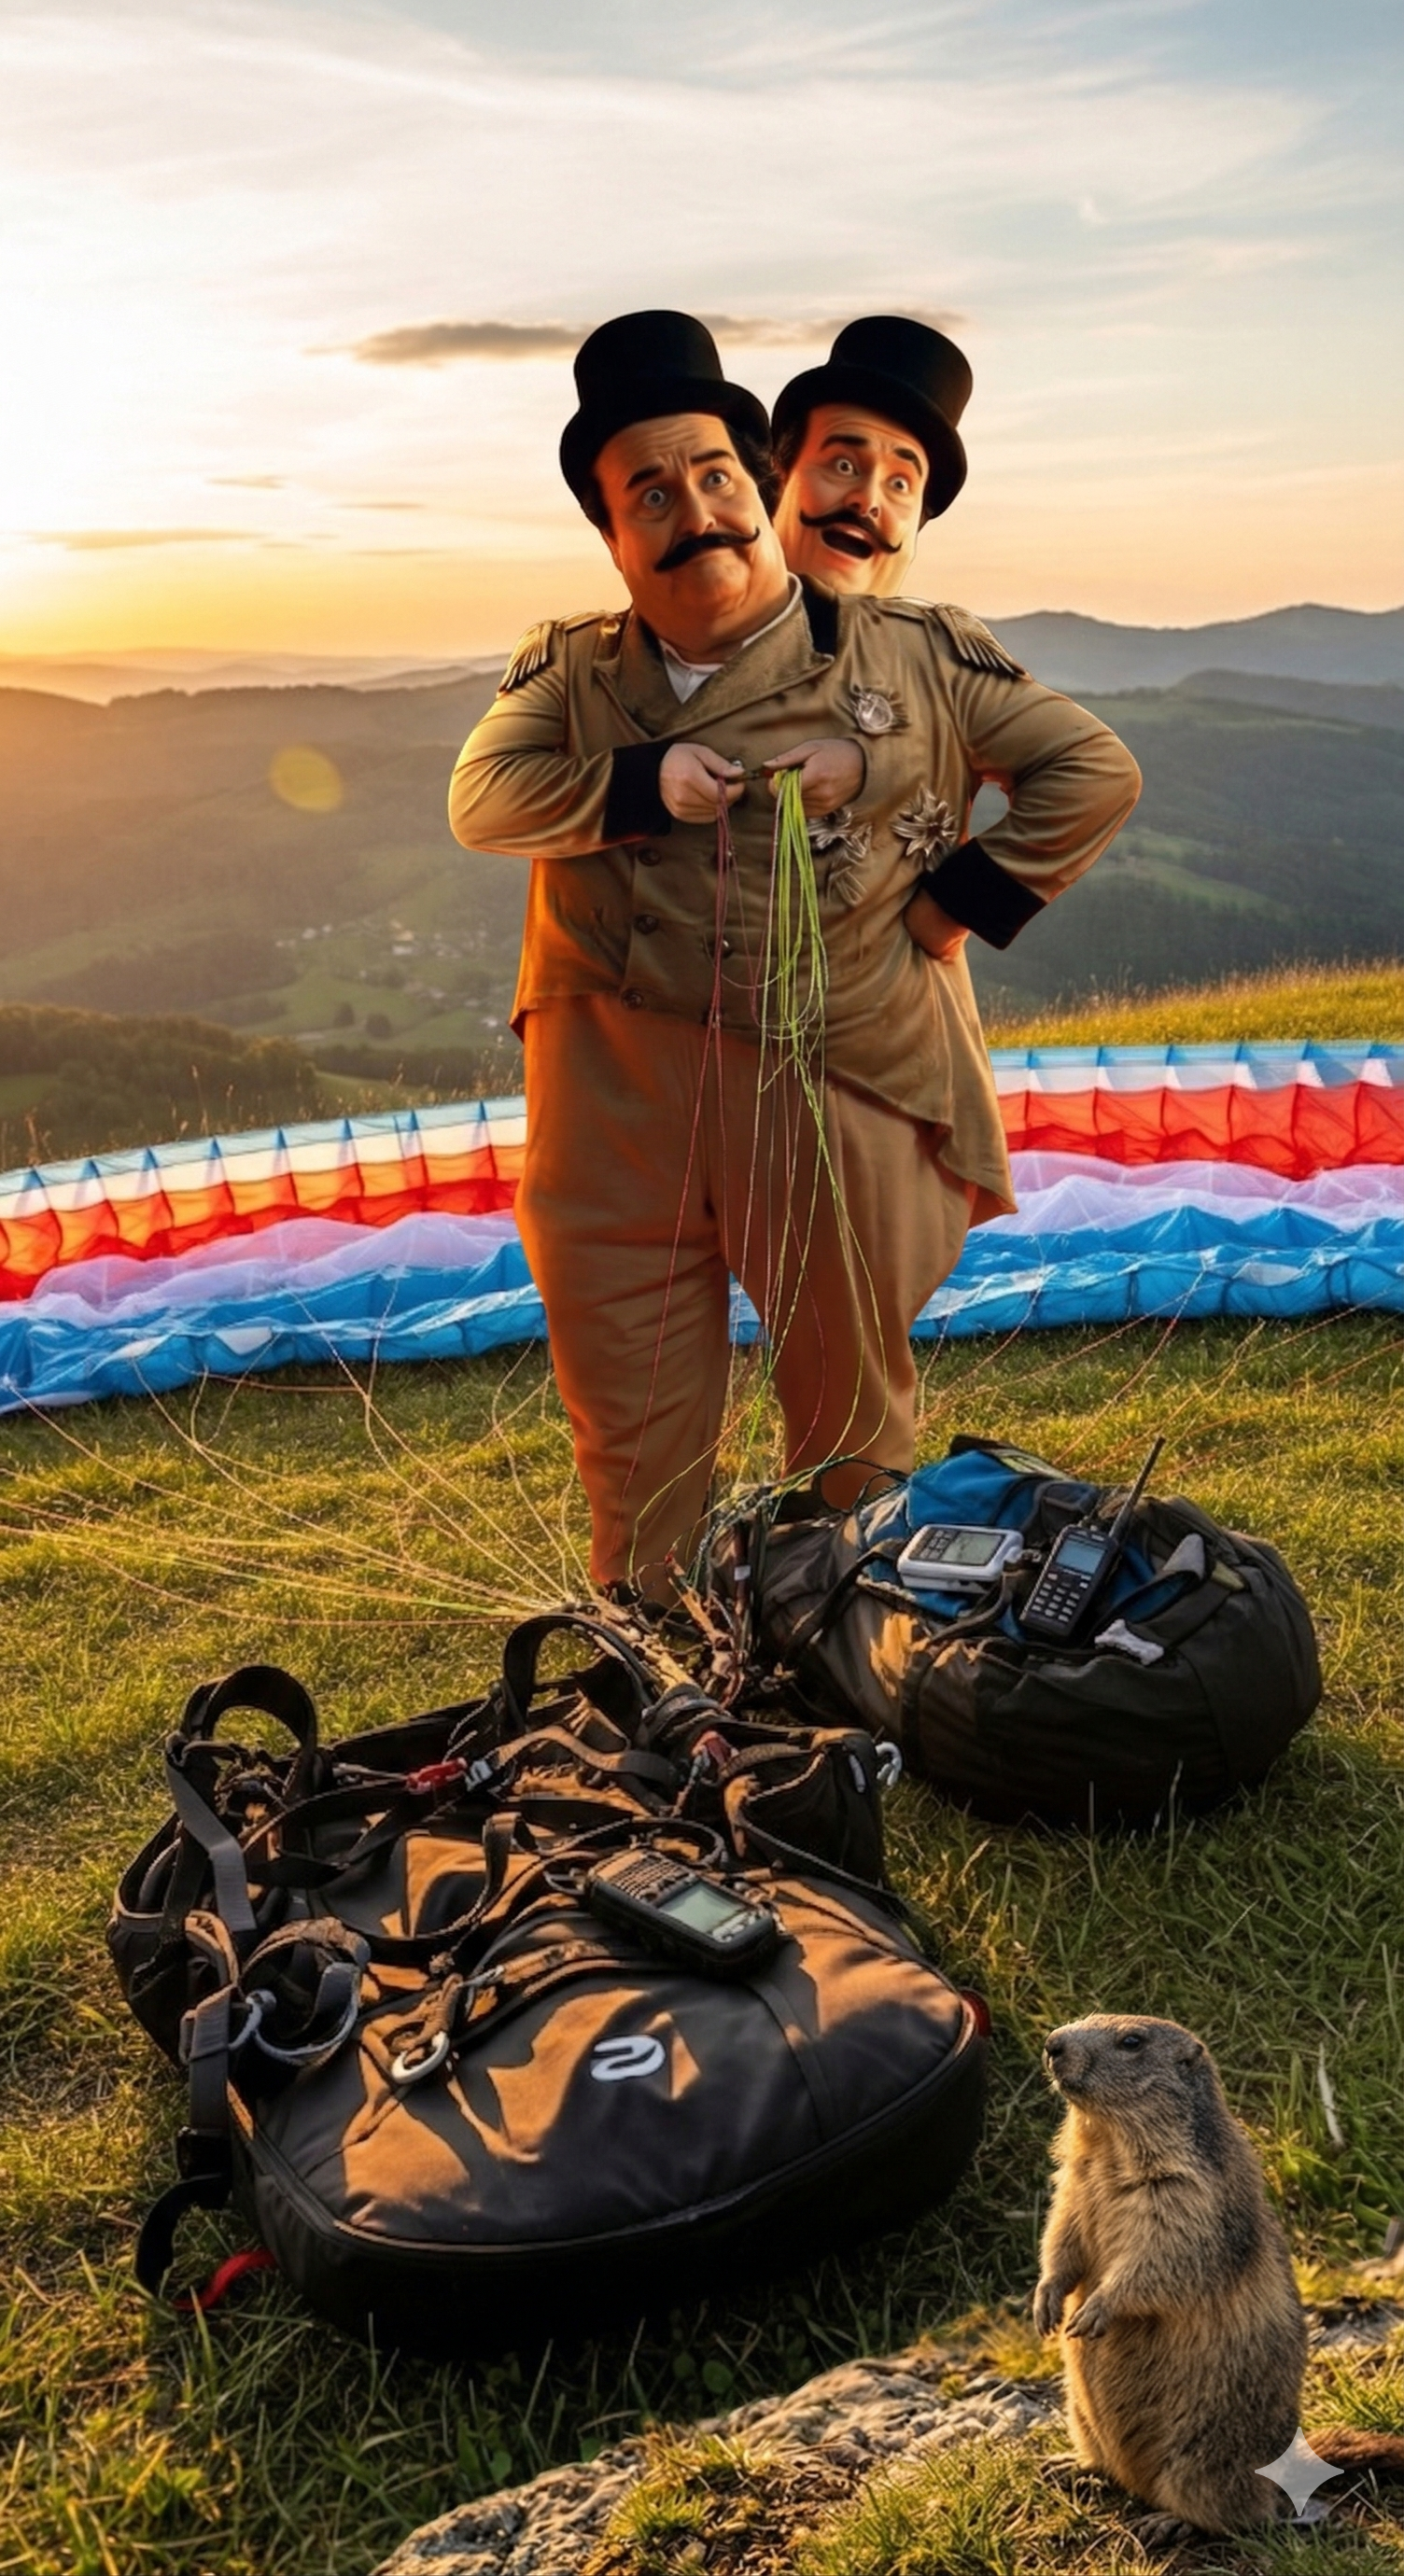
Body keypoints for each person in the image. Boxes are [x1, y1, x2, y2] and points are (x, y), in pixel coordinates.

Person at [448, 310, 1140, 1597]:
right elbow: (485, 797)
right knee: (635, 1393)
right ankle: (652, 1628)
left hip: (836, 1060)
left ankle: (845, 1622)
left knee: (846, 1393)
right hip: (616, 1081)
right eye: (842, 463)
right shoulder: (575, 663)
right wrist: (651, 782)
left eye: (901, 480)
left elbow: (1086, 770)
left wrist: (947, 898)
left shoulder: (923, 652)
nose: (866, 501)